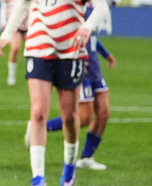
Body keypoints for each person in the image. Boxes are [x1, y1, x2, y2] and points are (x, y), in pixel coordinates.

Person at [0, 0, 110, 186]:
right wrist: (7, 34)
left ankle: (69, 164)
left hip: (70, 53)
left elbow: (102, 5)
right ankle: (38, 176)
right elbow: (22, 6)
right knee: (37, 112)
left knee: (70, 117)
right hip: (38, 49)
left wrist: (87, 27)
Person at [43, 35, 115, 169]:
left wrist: (105, 54)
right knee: (84, 117)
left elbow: (91, 37)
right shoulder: (77, 14)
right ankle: (41, 127)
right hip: (82, 70)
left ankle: (86, 158)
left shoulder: (92, 15)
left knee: (103, 113)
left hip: (95, 71)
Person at [0, 0, 25, 86]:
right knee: (15, 48)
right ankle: (11, 75)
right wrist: (4, 22)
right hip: (15, 25)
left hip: (29, 23)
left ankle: (34, 73)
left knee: (33, 50)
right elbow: (3, 6)